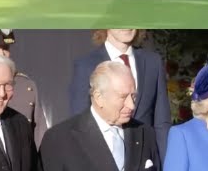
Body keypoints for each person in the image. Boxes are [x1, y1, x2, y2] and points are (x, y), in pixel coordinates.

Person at [68, 29, 173, 158]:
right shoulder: (86, 65)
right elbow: (81, 121)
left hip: (145, 160)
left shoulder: (153, 62)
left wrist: (164, 167)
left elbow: (161, 122)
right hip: (105, 159)